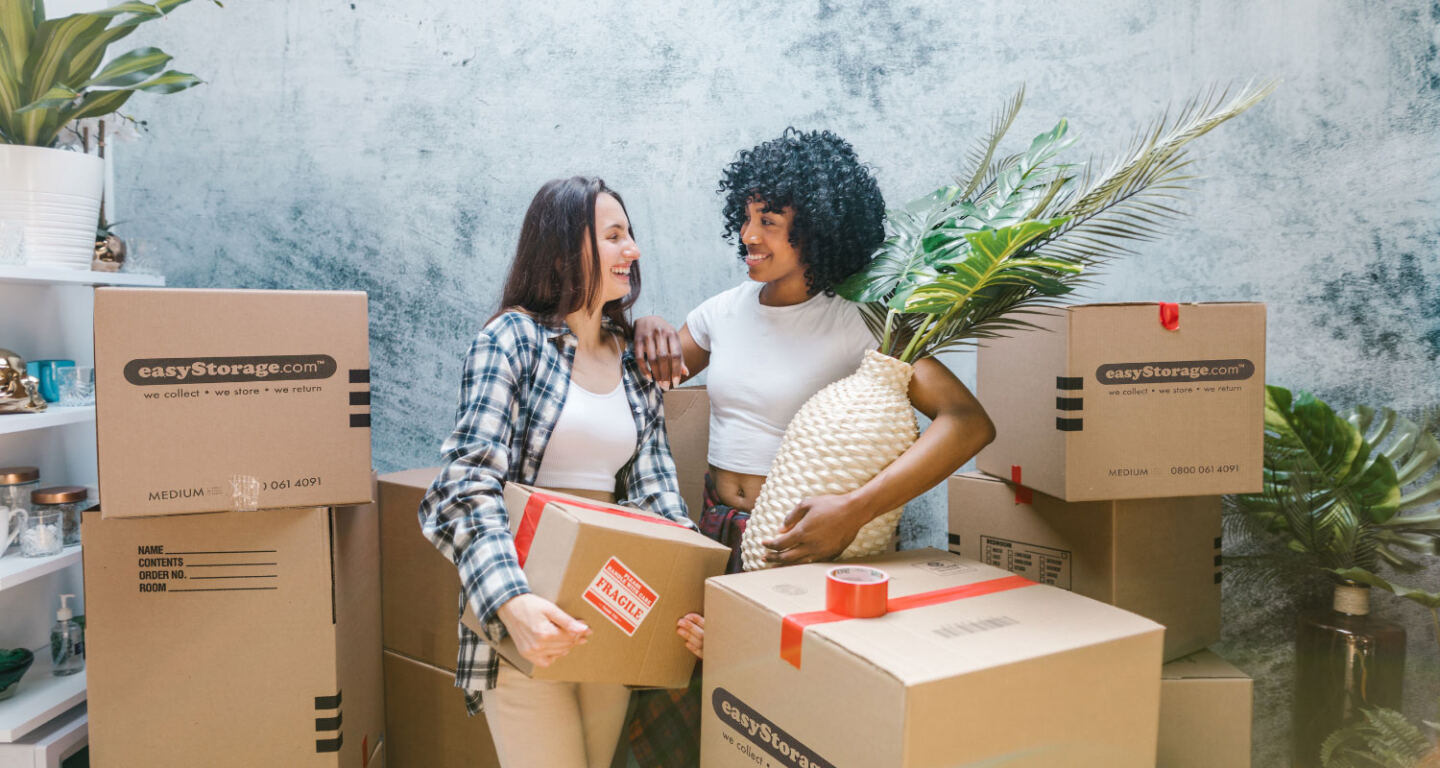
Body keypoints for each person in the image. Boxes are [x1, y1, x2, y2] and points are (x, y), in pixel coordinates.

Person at [625, 129, 997, 767]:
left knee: (783, 727)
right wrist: (645, 324)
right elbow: (644, 374)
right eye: (745, 217)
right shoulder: (725, 310)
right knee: (683, 720)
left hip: (807, 549)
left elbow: (966, 422)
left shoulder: (863, 320)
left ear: (821, 228)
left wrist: (854, 510)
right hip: (716, 533)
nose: (748, 236)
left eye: (769, 221)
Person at [418, 176, 695, 768]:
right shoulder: (511, 340)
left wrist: (691, 597)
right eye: (614, 235)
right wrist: (513, 605)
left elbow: (658, 497)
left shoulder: (633, 360)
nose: (634, 249)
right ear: (567, 249)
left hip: (611, 616)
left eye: (631, 234)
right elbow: (463, 487)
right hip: (526, 617)